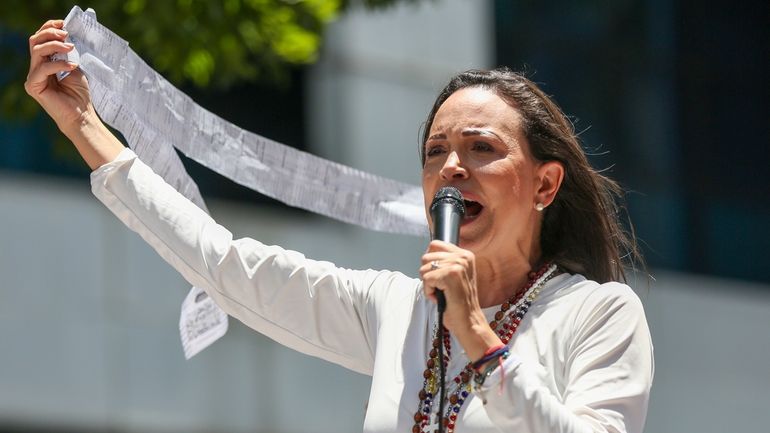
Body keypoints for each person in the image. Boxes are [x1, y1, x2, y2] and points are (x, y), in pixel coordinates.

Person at [26, 19, 654, 433]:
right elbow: (226, 264)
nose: (452, 169)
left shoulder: (598, 313)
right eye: (435, 152)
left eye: (481, 147)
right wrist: (82, 123)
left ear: (545, 184)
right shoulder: (396, 309)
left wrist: (477, 333)